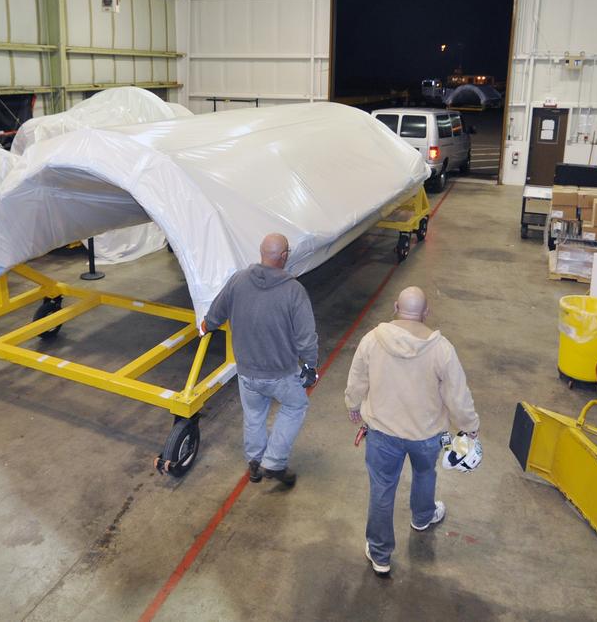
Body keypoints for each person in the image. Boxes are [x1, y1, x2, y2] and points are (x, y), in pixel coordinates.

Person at [344, 286, 479, 577]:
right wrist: (469, 428)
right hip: (428, 435)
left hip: (382, 433)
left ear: (395, 306)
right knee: (425, 473)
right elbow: (458, 394)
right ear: (426, 313)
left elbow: (357, 377)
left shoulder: (372, 340)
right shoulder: (442, 349)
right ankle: (422, 516)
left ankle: (380, 554)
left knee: (382, 488)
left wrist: (353, 403)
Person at [202, 233, 319, 487]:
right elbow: (306, 336)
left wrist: (206, 325)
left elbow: (213, 316)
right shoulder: (293, 291)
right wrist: (310, 365)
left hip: (246, 371)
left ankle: (254, 461)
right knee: (296, 405)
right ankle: (274, 462)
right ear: (285, 256)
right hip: (280, 372)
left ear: (261, 253)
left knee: (254, 415)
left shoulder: (238, 280)